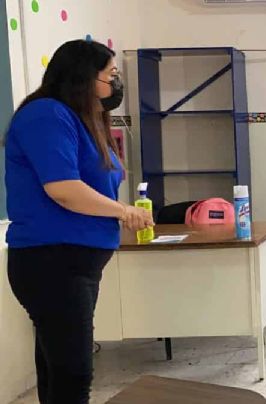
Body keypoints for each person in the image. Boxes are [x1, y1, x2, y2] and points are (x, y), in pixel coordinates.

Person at [4, 39, 153, 404]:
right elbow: (63, 189)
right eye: (110, 75)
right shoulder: (46, 115)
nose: (115, 83)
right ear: (84, 77)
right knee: (73, 372)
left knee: (58, 367)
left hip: (76, 263)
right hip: (51, 261)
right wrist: (123, 211)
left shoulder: (83, 119)